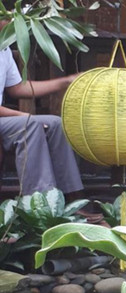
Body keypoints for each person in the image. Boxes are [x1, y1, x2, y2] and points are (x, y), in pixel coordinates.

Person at [0, 46, 83, 195]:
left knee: (55, 124)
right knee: (29, 125)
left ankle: (71, 197)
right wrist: (23, 116)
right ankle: (39, 201)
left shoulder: (3, 49)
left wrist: (66, 81)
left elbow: (17, 88)